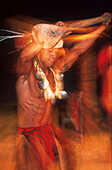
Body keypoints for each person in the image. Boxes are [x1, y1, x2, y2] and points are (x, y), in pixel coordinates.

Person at [10, 14, 111, 170]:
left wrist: (101, 28)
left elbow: (78, 50)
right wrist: (51, 34)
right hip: (29, 136)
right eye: (49, 50)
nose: (53, 54)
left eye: (55, 51)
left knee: (67, 162)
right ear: (39, 51)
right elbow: (24, 56)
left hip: (48, 130)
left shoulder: (55, 70)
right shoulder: (26, 73)